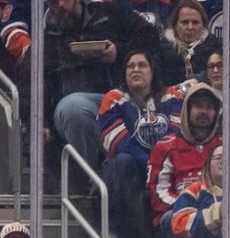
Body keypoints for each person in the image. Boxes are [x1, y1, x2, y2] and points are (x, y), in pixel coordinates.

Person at [44, 0, 157, 173]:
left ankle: (135, 167)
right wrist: (39, 121)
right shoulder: (48, 32)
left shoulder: (109, 10)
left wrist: (119, 52)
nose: (58, 6)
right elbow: (32, 76)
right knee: (71, 107)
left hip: (122, 98)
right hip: (82, 108)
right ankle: (97, 176)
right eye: (52, 3)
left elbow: (150, 37)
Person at [98, 49, 178, 238]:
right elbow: (117, 143)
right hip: (127, 170)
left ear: (153, 71)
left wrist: (159, 168)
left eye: (142, 65)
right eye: (130, 66)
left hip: (165, 168)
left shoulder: (171, 96)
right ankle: (122, 236)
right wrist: (152, 166)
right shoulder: (113, 98)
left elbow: (176, 136)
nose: (135, 70)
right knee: (123, 161)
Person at [147, 82, 223, 230]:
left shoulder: (224, 147)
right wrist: (190, 209)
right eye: (198, 106)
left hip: (216, 214)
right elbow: (158, 195)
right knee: (171, 218)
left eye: (209, 107)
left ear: (216, 113)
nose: (204, 111)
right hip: (176, 214)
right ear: (187, 109)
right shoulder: (165, 147)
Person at [156, 0, 221, 85]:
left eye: (195, 22)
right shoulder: (162, 48)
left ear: (204, 25)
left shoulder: (213, 45)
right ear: (175, 24)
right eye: (185, 22)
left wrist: (199, 80)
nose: (190, 27)